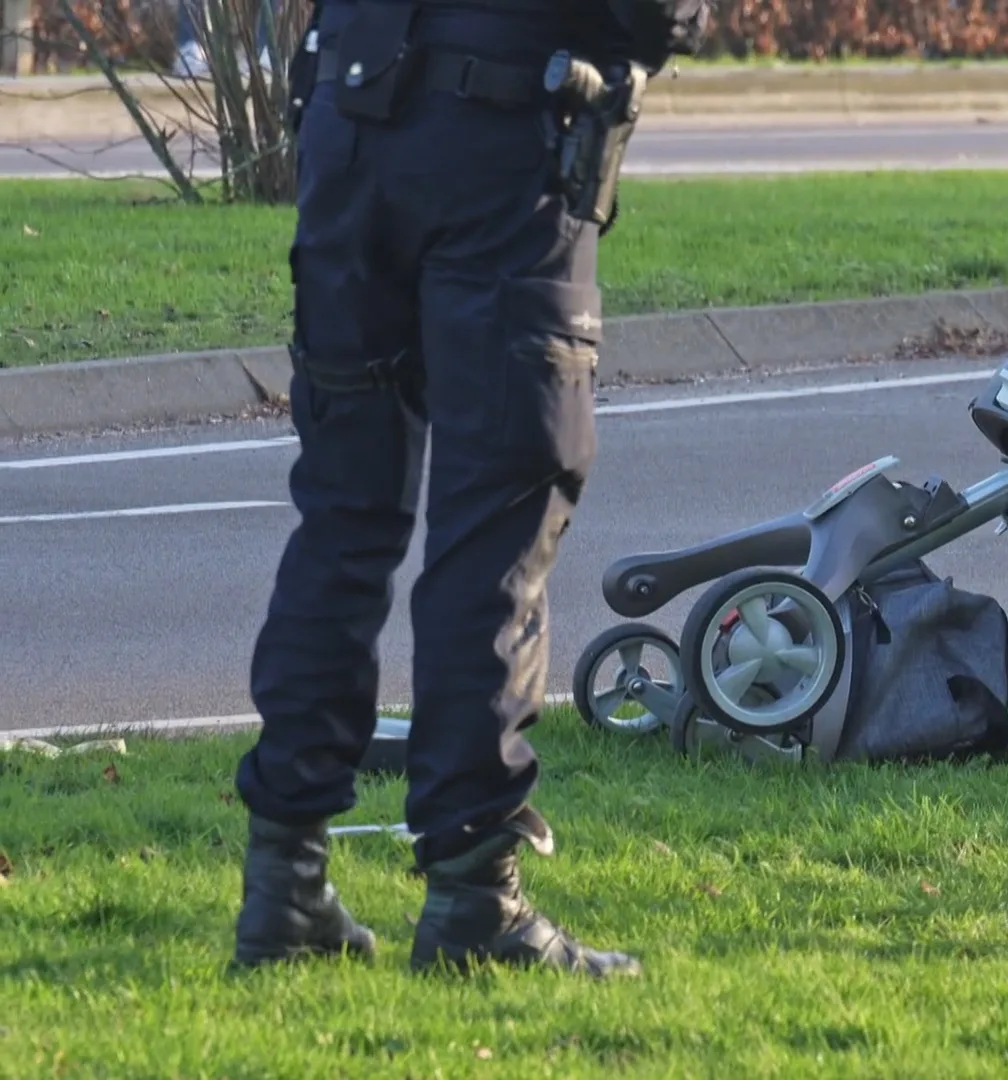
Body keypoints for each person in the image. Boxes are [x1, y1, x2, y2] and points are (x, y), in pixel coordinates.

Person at [229, 0, 710, 976]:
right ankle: (473, 891)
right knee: (495, 522)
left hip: (350, 117)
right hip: (498, 142)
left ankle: (285, 881)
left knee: (343, 517)